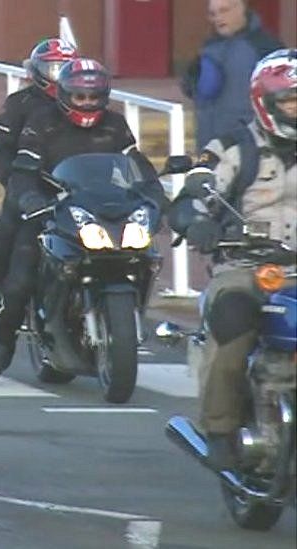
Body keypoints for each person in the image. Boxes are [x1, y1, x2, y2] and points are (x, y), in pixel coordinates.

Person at [0, 58, 168, 381]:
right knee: (20, 278)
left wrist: (158, 197)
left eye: (94, 97)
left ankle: (120, 323)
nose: (88, 103)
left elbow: (138, 166)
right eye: (80, 97)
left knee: (143, 254)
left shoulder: (116, 124)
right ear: (64, 95)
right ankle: (2, 346)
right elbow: (23, 170)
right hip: (52, 211)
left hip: (103, 208)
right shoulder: (42, 122)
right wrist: (29, 198)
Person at [168, 48, 296, 470]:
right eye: (291, 101)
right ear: (266, 102)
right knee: (233, 315)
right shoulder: (234, 148)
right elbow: (196, 190)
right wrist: (198, 221)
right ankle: (219, 429)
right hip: (247, 267)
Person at [0, 37, 78, 312]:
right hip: (30, 186)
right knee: (7, 229)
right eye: (53, 68)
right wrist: (15, 182)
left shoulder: (84, 103)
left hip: (75, 189)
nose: (59, 74)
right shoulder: (20, 103)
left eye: (65, 67)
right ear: (37, 71)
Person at [183, 0, 281, 151]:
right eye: (213, 14)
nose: (218, 18)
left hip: (250, 147)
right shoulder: (210, 45)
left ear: (241, 8)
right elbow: (192, 88)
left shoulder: (265, 46)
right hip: (210, 145)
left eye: (224, 11)